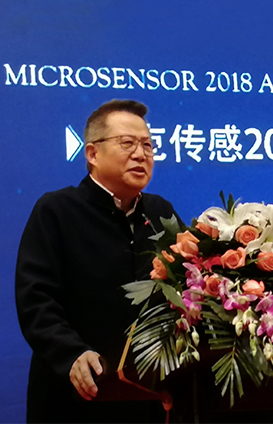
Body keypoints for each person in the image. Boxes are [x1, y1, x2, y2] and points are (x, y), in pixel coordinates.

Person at [15, 99, 184, 423]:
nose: (141, 154)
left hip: (150, 399)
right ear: (92, 153)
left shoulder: (160, 212)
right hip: (79, 394)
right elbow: (36, 300)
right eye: (128, 143)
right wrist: (71, 353)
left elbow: (187, 288)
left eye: (148, 145)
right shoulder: (57, 211)